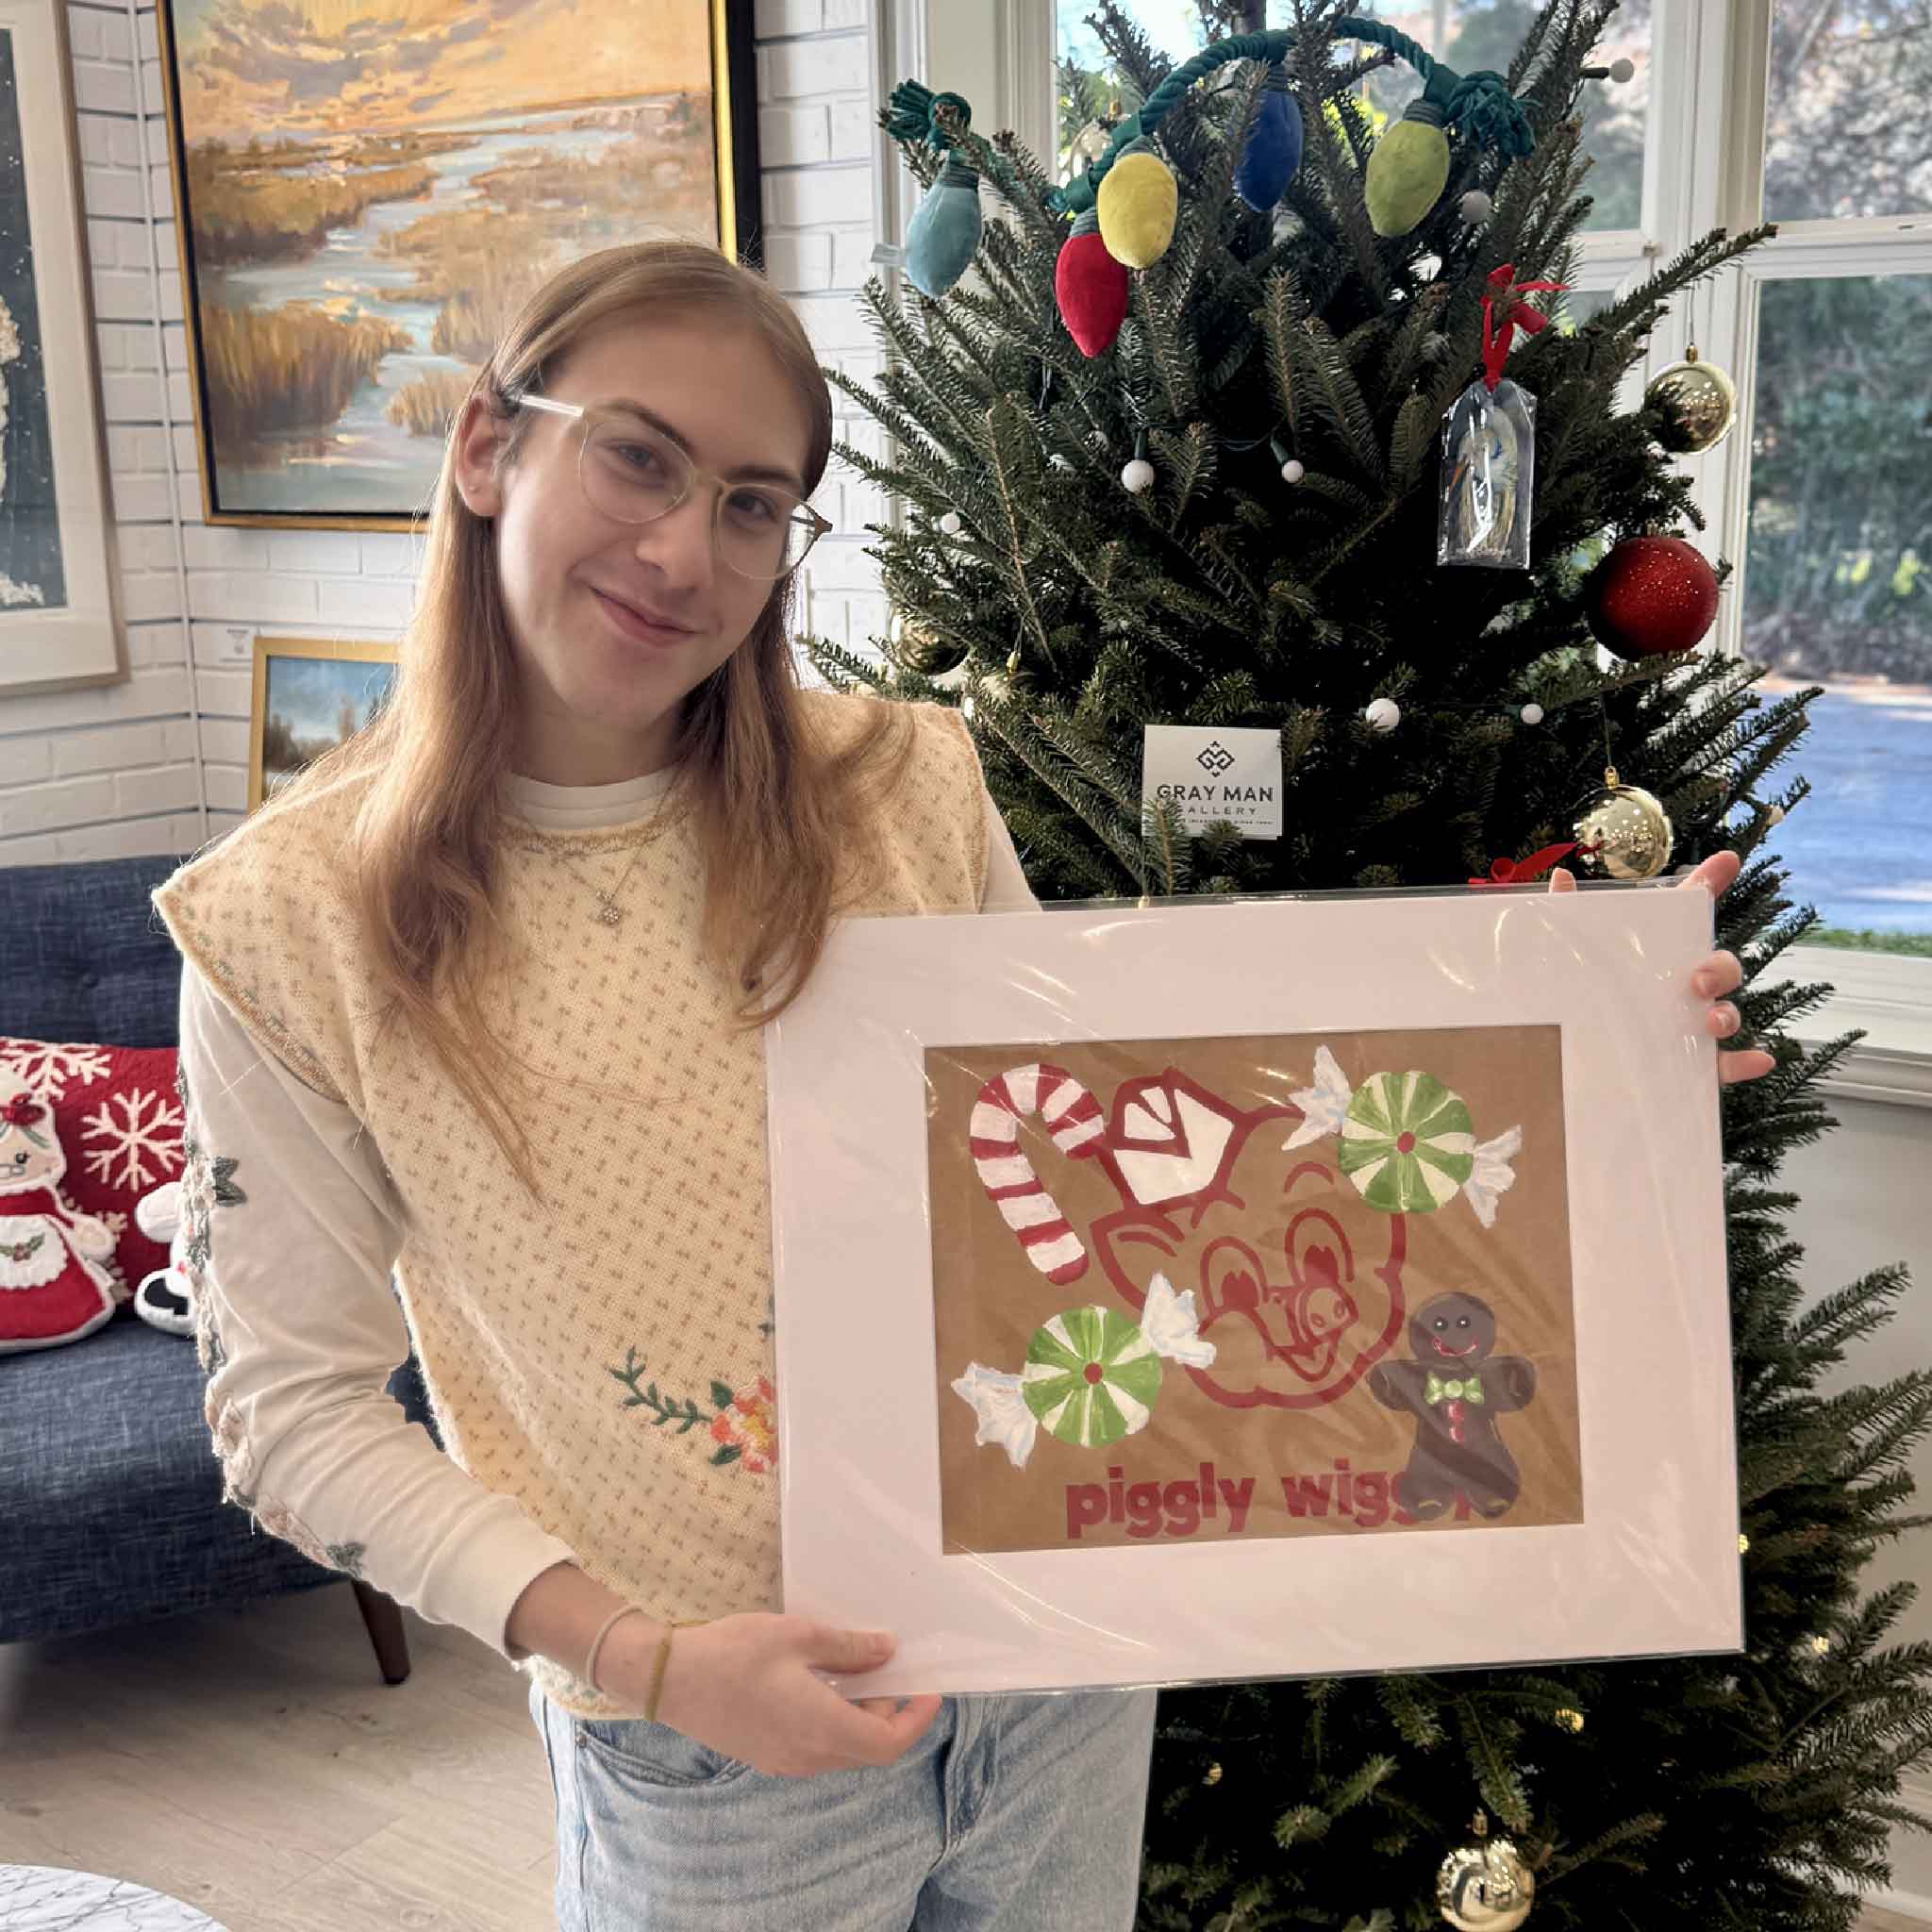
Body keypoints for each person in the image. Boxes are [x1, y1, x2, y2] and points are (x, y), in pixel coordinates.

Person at [151, 240, 1773, 1932]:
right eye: (637, 456)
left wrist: (1582, 1065)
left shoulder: (896, 789)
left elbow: (1112, 1135)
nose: (683, 552)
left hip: (1056, 1664)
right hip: (712, 1752)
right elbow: (290, 1415)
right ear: (489, 445)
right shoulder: (294, 925)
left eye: (755, 504)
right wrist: (643, 1657)